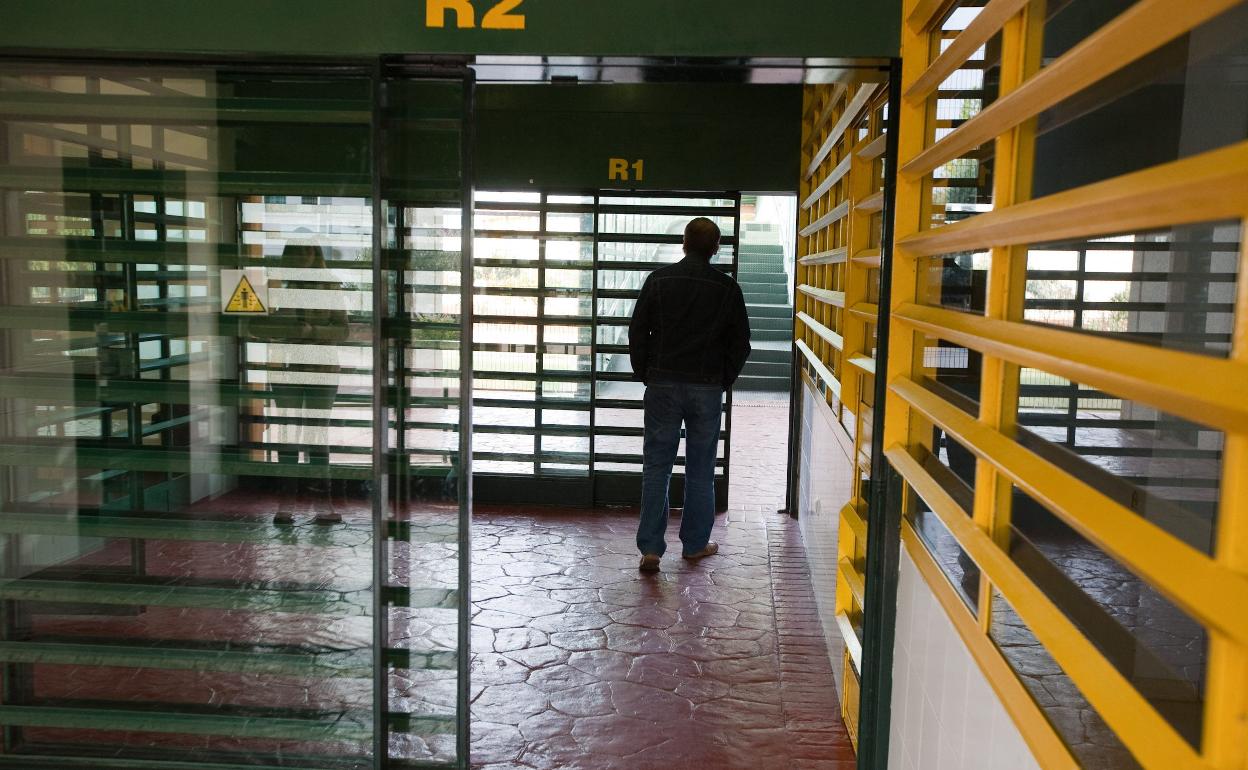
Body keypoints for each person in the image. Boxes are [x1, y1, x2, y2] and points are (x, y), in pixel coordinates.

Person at [628, 217, 751, 572]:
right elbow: (740, 343)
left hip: (663, 384)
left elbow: (637, 333)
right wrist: (721, 379)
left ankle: (651, 549)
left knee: (656, 466)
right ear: (715, 248)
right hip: (706, 388)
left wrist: (646, 374)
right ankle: (695, 544)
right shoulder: (727, 289)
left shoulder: (658, 281)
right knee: (701, 469)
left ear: (684, 243)